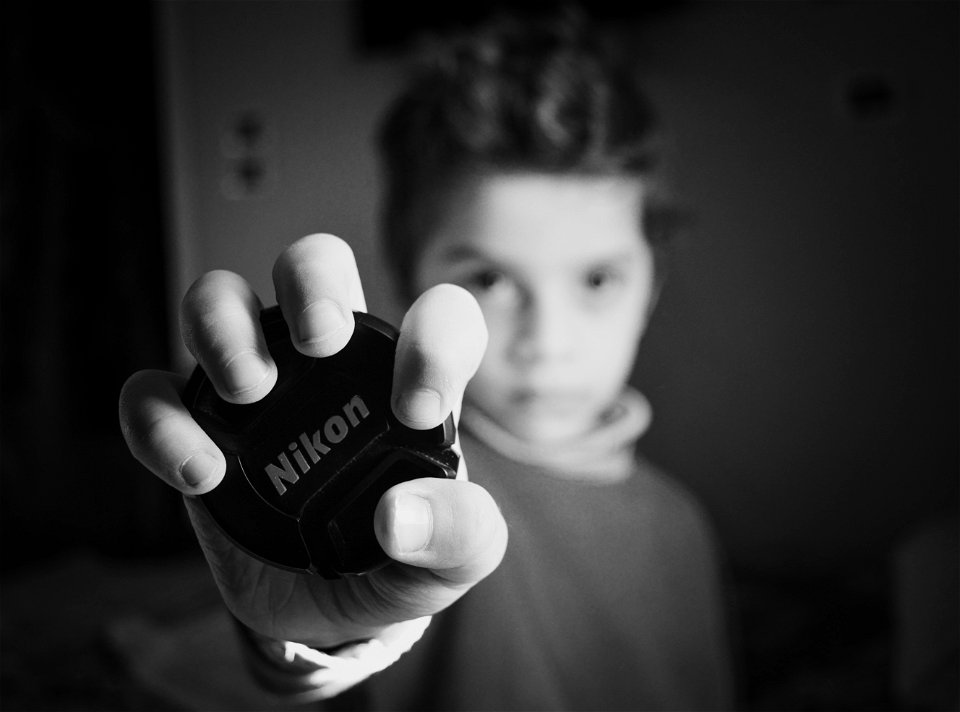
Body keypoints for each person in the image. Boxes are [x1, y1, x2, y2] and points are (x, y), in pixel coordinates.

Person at [119, 7, 735, 710]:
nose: (548, 340)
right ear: (415, 283)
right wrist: (313, 642)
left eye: (597, 280)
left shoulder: (683, 525)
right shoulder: (411, 502)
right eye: (489, 280)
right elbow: (339, 653)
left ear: (651, 285)